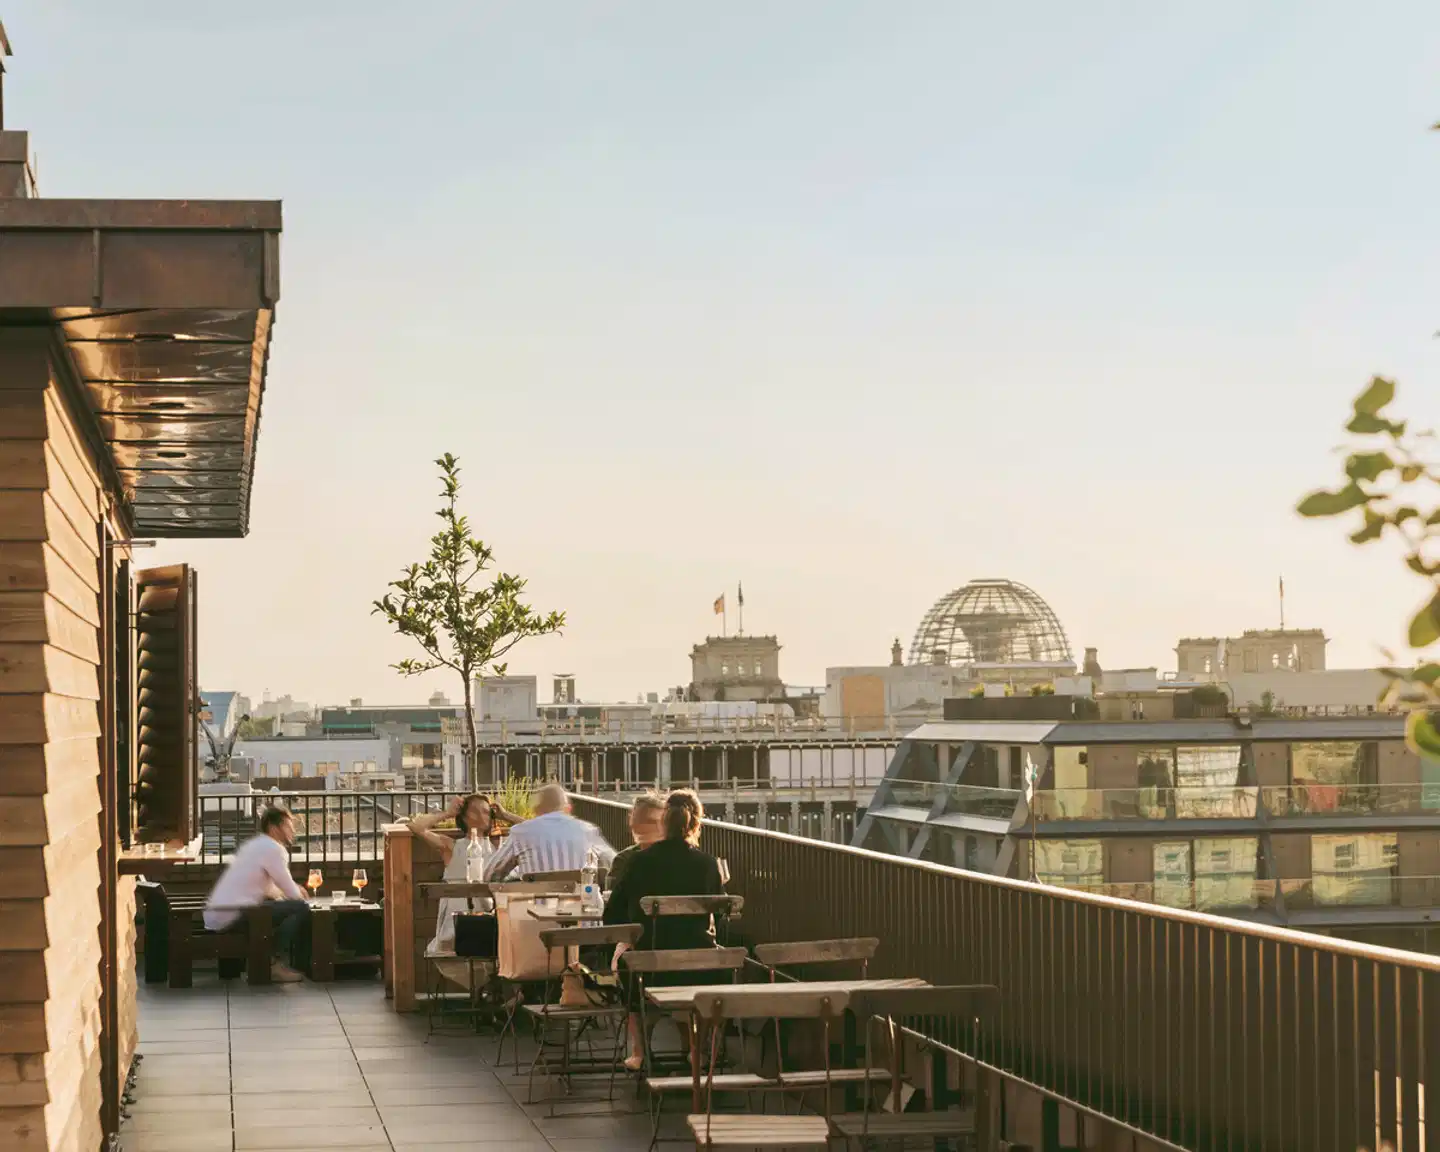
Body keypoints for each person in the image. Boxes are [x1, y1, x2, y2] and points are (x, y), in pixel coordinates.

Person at [603, 788, 725, 1068]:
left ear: (663, 823)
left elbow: (613, 916)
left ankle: (640, 1052)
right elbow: (720, 918)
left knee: (628, 961)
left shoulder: (639, 861)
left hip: (650, 967)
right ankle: (697, 1050)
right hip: (700, 968)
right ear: (696, 824)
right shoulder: (708, 864)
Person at [204, 806, 310, 983]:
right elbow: (291, 893)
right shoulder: (273, 848)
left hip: (219, 914)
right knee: (301, 908)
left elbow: (268, 888)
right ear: (274, 827)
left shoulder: (255, 844)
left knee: (280, 909)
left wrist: (289, 891)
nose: (293, 830)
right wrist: (299, 892)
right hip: (234, 915)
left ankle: (269, 961)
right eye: (288, 825)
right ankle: (273, 963)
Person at [408, 793, 496, 953]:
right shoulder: (452, 846)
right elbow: (415, 827)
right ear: (463, 817)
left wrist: (505, 815)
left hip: (488, 916)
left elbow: (534, 831)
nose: (483, 816)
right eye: (476, 811)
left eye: (486, 811)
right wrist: (447, 813)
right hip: (456, 920)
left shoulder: (497, 847)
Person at [485, 782, 615, 881]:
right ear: (567, 809)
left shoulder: (521, 833)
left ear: (536, 810)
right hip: (581, 912)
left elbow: (489, 874)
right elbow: (615, 864)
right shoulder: (588, 831)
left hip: (530, 913)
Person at [606, 792, 666, 891]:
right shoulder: (623, 860)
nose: (660, 828)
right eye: (651, 822)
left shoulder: (624, 859)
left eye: (663, 822)